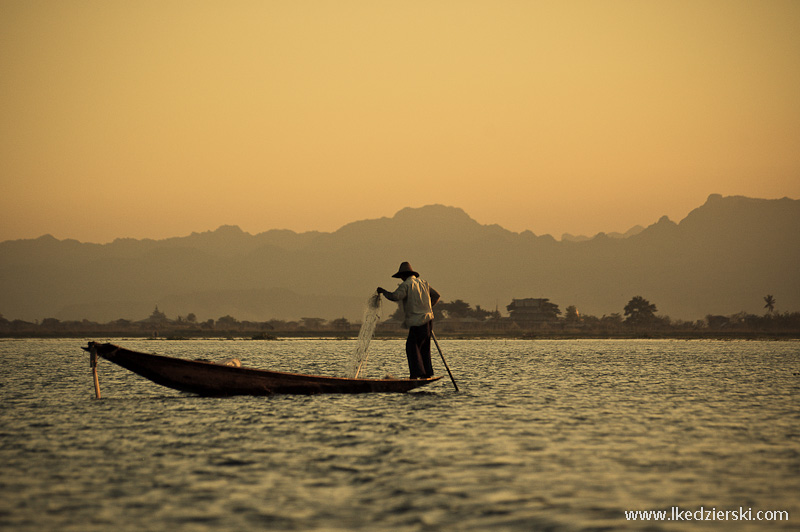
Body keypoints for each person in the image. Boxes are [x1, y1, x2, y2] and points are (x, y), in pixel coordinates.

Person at [377, 262, 441, 379]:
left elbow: (395, 296)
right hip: (428, 320)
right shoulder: (423, 283)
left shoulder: (406, 285)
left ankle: (416, 374)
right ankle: (426, 373)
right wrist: (428, 307)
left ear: (403, 275)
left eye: (401, 277)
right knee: (424, 346)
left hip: (417, 321)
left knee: (412, 346)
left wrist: (383, 291)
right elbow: (436, 296)